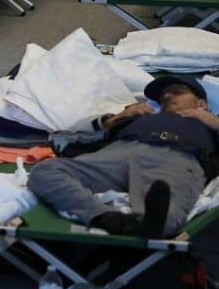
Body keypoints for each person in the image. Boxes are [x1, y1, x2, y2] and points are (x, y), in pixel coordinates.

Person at [27, 75, 219, 238]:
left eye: (177, 90)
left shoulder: (210, 124)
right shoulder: (137, 117)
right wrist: (115, 118)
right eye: (163, 95)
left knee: (168, 214)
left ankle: (147, 224)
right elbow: (61, 138)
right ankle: (103, 217)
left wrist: (214, 122)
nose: (168, 95)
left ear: (201, 103)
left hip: (178, 158)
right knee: (45, 171)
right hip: (119, 152)